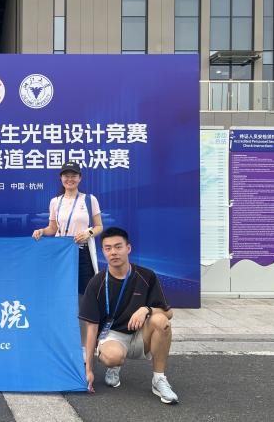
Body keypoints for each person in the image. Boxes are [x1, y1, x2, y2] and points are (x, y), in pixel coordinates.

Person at [79, 227, 178, 404]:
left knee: (161, 321)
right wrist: (88, 371)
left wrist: (146, 309)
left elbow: (168, 312)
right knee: (112, 357)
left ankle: (159, 380)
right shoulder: (96, 283)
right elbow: (92, 328)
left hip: (141, 334)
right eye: (108, 248)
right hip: (113, 335)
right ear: (103, 252)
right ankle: (114, 367)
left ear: (128, 248)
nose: (113, 252)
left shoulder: (146, 276)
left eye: (118, 247)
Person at [32, 161, 103, 351]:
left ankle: (84, 346)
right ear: (61, 178)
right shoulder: (55, 202)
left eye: (74, 175)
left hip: (82, 254)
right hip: (61, 257)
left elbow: (99, 226)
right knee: (62, 297)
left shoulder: (89, 200)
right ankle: (63, 343)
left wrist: (88, 233)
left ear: (80, 178)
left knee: (84, 299)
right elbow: (53, 228)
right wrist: (42, 231)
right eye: (66, 175)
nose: (69, 179)